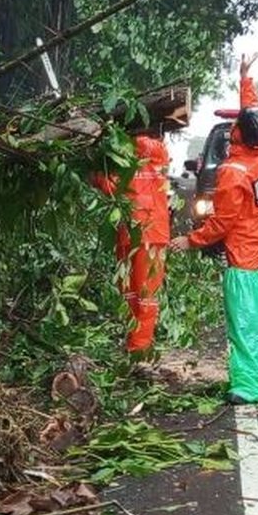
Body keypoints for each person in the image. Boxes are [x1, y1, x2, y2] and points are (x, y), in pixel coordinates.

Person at [169, 54, 258, 405]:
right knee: (257, 316)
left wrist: (190, 240)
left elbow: (223, 222)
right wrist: (245, 78)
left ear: (239, 134)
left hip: (243, 255)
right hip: (257, 248)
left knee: (244, 321)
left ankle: (249, 384)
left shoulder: (233, 172)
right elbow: (253, 113)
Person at [91, 128, 171, 356]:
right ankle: (134, 342)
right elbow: (112, 187)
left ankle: (138, 348)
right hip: (138, 234)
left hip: (142, 234)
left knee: (140, 293)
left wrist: (98, 173)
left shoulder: (142, 156)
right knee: (134, 292)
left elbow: (111, 187)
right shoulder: (132, 160)